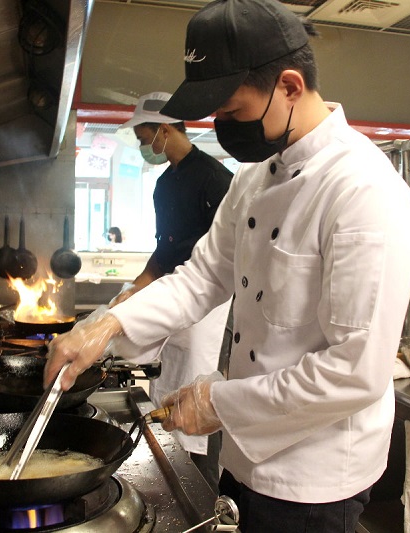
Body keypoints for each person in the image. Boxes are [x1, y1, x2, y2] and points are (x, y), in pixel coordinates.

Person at [45, 1, 410, 531]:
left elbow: (357, 369)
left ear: (290, 86)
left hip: (314, 474)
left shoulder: (363, 190)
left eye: (231, 110)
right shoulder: (253, 179)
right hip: (245, 453)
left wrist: (221, 405)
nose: (220, 125)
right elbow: (203, 277)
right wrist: (109, 325)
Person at [110, 91, 234, 491]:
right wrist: (134, 289)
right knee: (169, 382)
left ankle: (203, 490)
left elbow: (230, 255)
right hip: (174, 292)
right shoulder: (164, 184)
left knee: (198, 392)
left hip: (211, 302)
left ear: (165, 129)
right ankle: (173, 478)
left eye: (147, 136)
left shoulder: (215, 178)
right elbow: (166, 250)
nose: (146, 145)